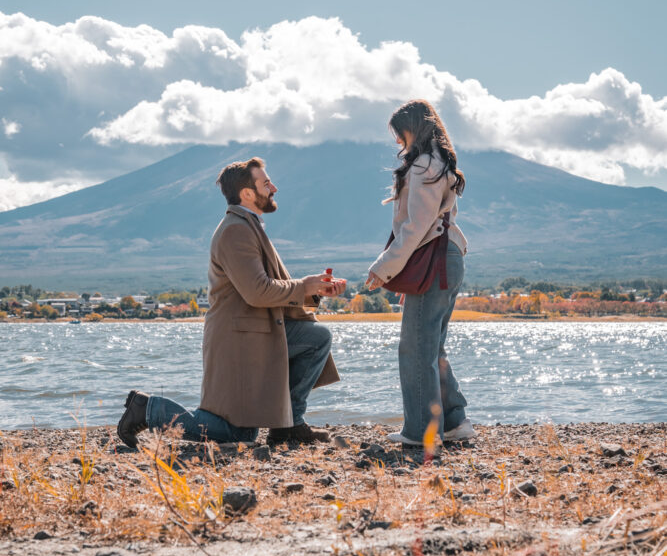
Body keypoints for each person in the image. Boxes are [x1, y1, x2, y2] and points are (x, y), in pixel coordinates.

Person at [117, 156, 345, 449]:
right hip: (239, 342)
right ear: (247, 193)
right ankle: (147, 409)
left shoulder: (247, 225)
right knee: (234, 434)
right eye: (266, 183)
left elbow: (264, 287)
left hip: (253, 334)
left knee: (316, 337)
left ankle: (289, 425)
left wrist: (313, 291)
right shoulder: (236, 230)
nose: (274, 187)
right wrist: (303, 286)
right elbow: (257, 291)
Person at [366, 100, 474, 446]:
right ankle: (454, 421)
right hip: (445, 259)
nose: (399, 141)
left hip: (436, 260)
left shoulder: (423, 165)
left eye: (401, 133)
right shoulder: (439, 163)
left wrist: (382, 269)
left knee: (414, 349)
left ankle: (421, 432)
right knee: (432, 348)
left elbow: (415, 229)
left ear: (412, 128)